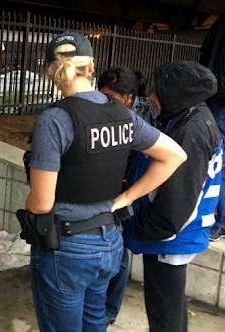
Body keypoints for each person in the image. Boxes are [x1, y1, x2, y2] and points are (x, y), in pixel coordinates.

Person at [24, 32, 187, 332]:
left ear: (51, 73)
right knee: (94, 323)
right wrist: (125, 199)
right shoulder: (122, 113)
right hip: (109, 241)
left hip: (67, 246)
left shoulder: (55, 120)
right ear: (91, 67)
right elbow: (174, 155)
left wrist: (29, 202)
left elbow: (42, 202)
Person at [123, 61, 222, 332]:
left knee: (163, 312)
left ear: (177, 92)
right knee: (171, 307)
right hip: (171, 235)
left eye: (158, 91)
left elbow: (182, 193)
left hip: (169, 237)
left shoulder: (192, 129)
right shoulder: (192, 118)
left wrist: (148, 228)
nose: (152, 98)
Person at [97, 66, 158, 326]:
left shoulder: (142, 118)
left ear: (129, 97)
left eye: (111, 96)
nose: (104, 101)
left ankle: (109, 310)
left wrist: (129, 195)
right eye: (101, 95)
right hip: (105, 188)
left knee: (119, 256)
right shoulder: (102, 110)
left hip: (127, 193)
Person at [200, 13, 225, 242]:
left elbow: (208, 54)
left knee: (217, 161)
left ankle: (220, 222)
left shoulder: (221, 22)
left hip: (220, 100)